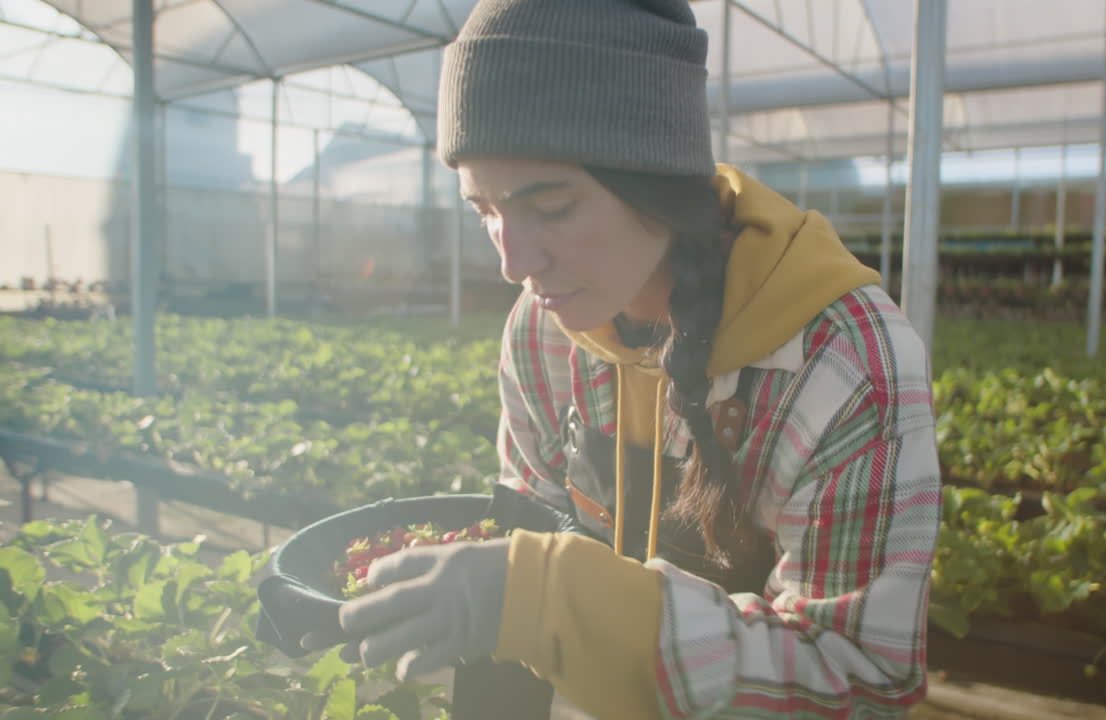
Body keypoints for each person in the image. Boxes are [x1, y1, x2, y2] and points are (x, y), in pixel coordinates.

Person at [334, 0, 941, 717]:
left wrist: (554, 600)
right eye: (484, 210)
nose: (511, 261)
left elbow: (861, 679)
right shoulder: (541, 330)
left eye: (551, 205)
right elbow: (534, 513)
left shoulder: (843, 365)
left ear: (660, 185)